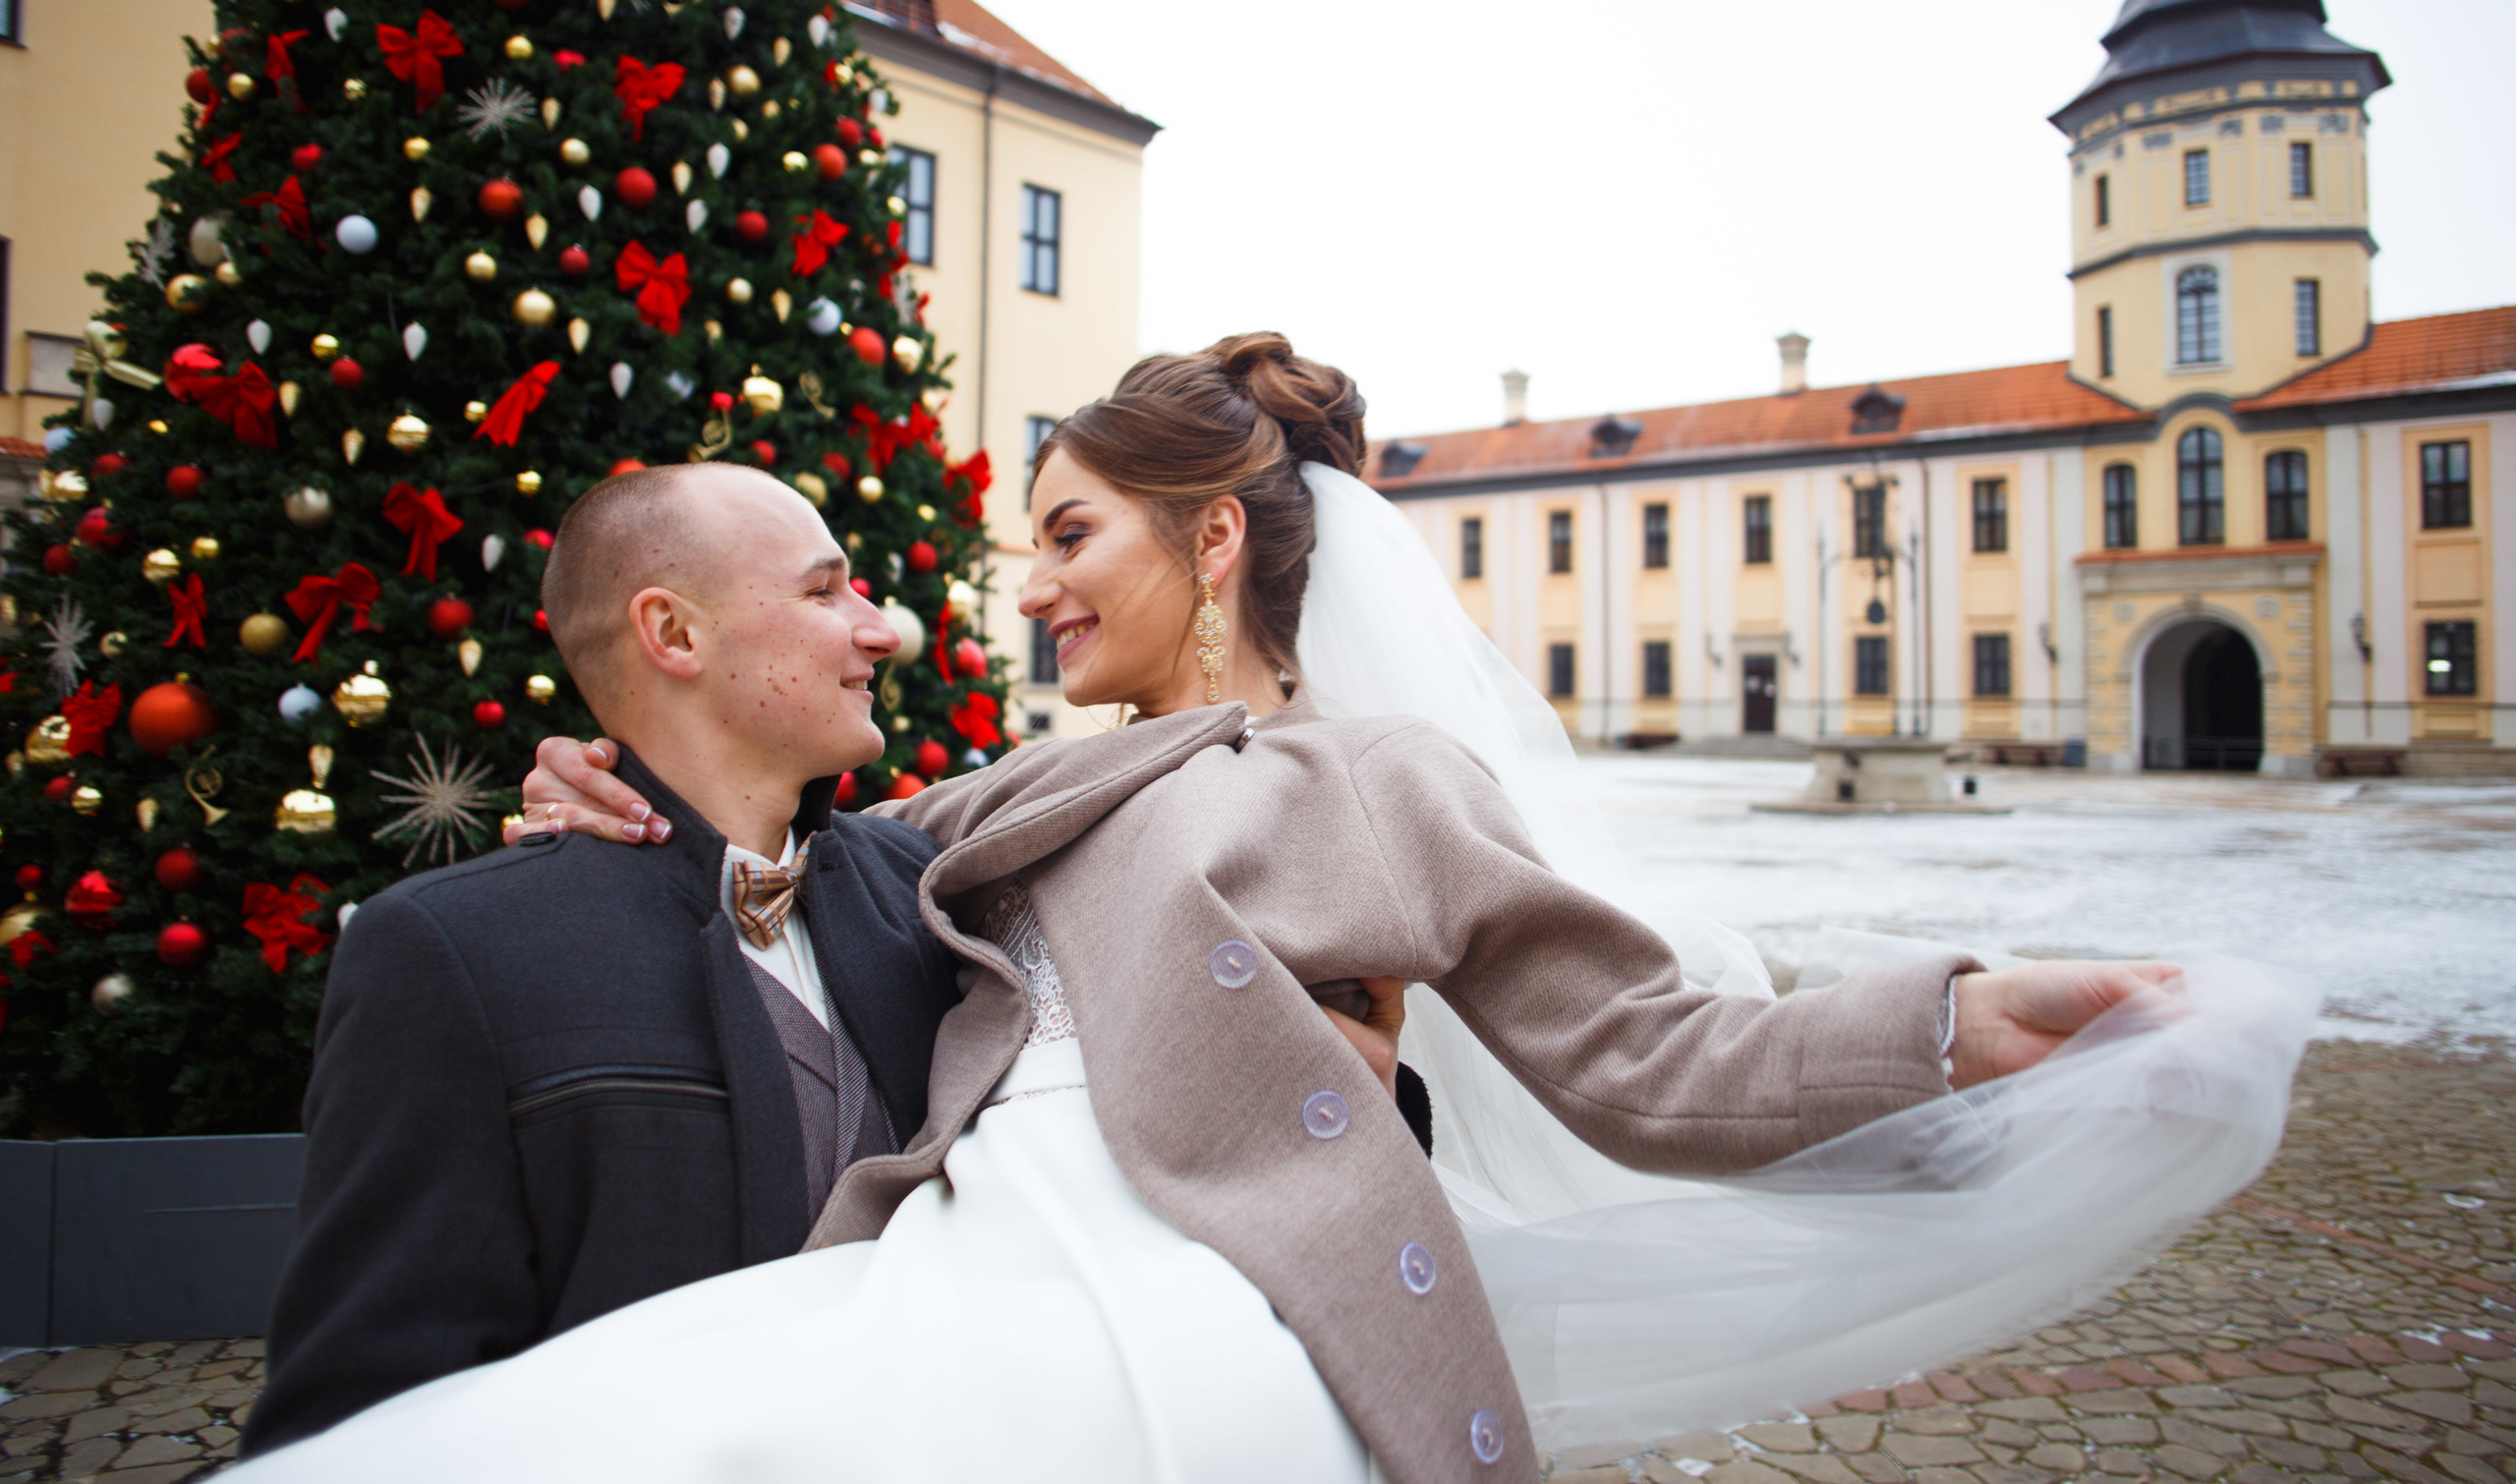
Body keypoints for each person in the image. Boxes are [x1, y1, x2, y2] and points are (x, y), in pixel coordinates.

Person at [233, 336, 2310, 1483]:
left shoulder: (1391, 786)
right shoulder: (986, 796)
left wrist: (1957, 1016)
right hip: (932, 1286)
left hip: (1203, 1325)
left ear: (1210, 539)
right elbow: (761, 841)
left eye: (1064, 533)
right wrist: (583, 782)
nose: (1020, 586)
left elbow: (1652, 1055)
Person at [244, 457, 1417, 1457]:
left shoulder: (941, 891)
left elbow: (1153, 1120)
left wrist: (1363, 1081)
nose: (878, 627)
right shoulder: (451, 951)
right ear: (672, 632)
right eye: (825, 591)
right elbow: (363, 1414)